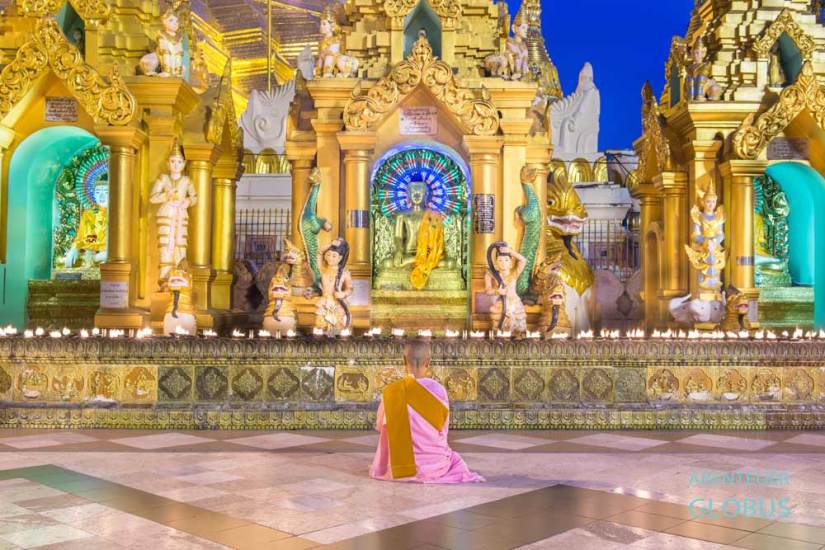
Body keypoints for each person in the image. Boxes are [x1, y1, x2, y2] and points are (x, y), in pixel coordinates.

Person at [370, 340, 484, 483]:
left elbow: (380, 426)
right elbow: (443, 430)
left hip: (398, 468)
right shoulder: (438, 390)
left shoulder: (391, 392)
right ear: (428, 361)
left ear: (404, 360)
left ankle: (403, 465)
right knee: (452, 457)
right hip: (436, 466)